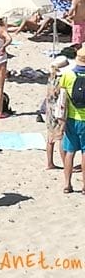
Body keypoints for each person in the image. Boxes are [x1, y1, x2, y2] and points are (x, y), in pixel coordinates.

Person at [59, 48, 85, 192]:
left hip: (71, 118)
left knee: (70, 152)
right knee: (84, 152)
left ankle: (67, 184)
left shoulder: (67, 74)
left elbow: (62, 96)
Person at [45, 56, 70, 171]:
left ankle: (50, 162)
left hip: (49, 108)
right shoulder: (62, 79)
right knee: (60, 137)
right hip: (58, 109)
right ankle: (66, 163)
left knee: (50, 137)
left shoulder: (51, 77)